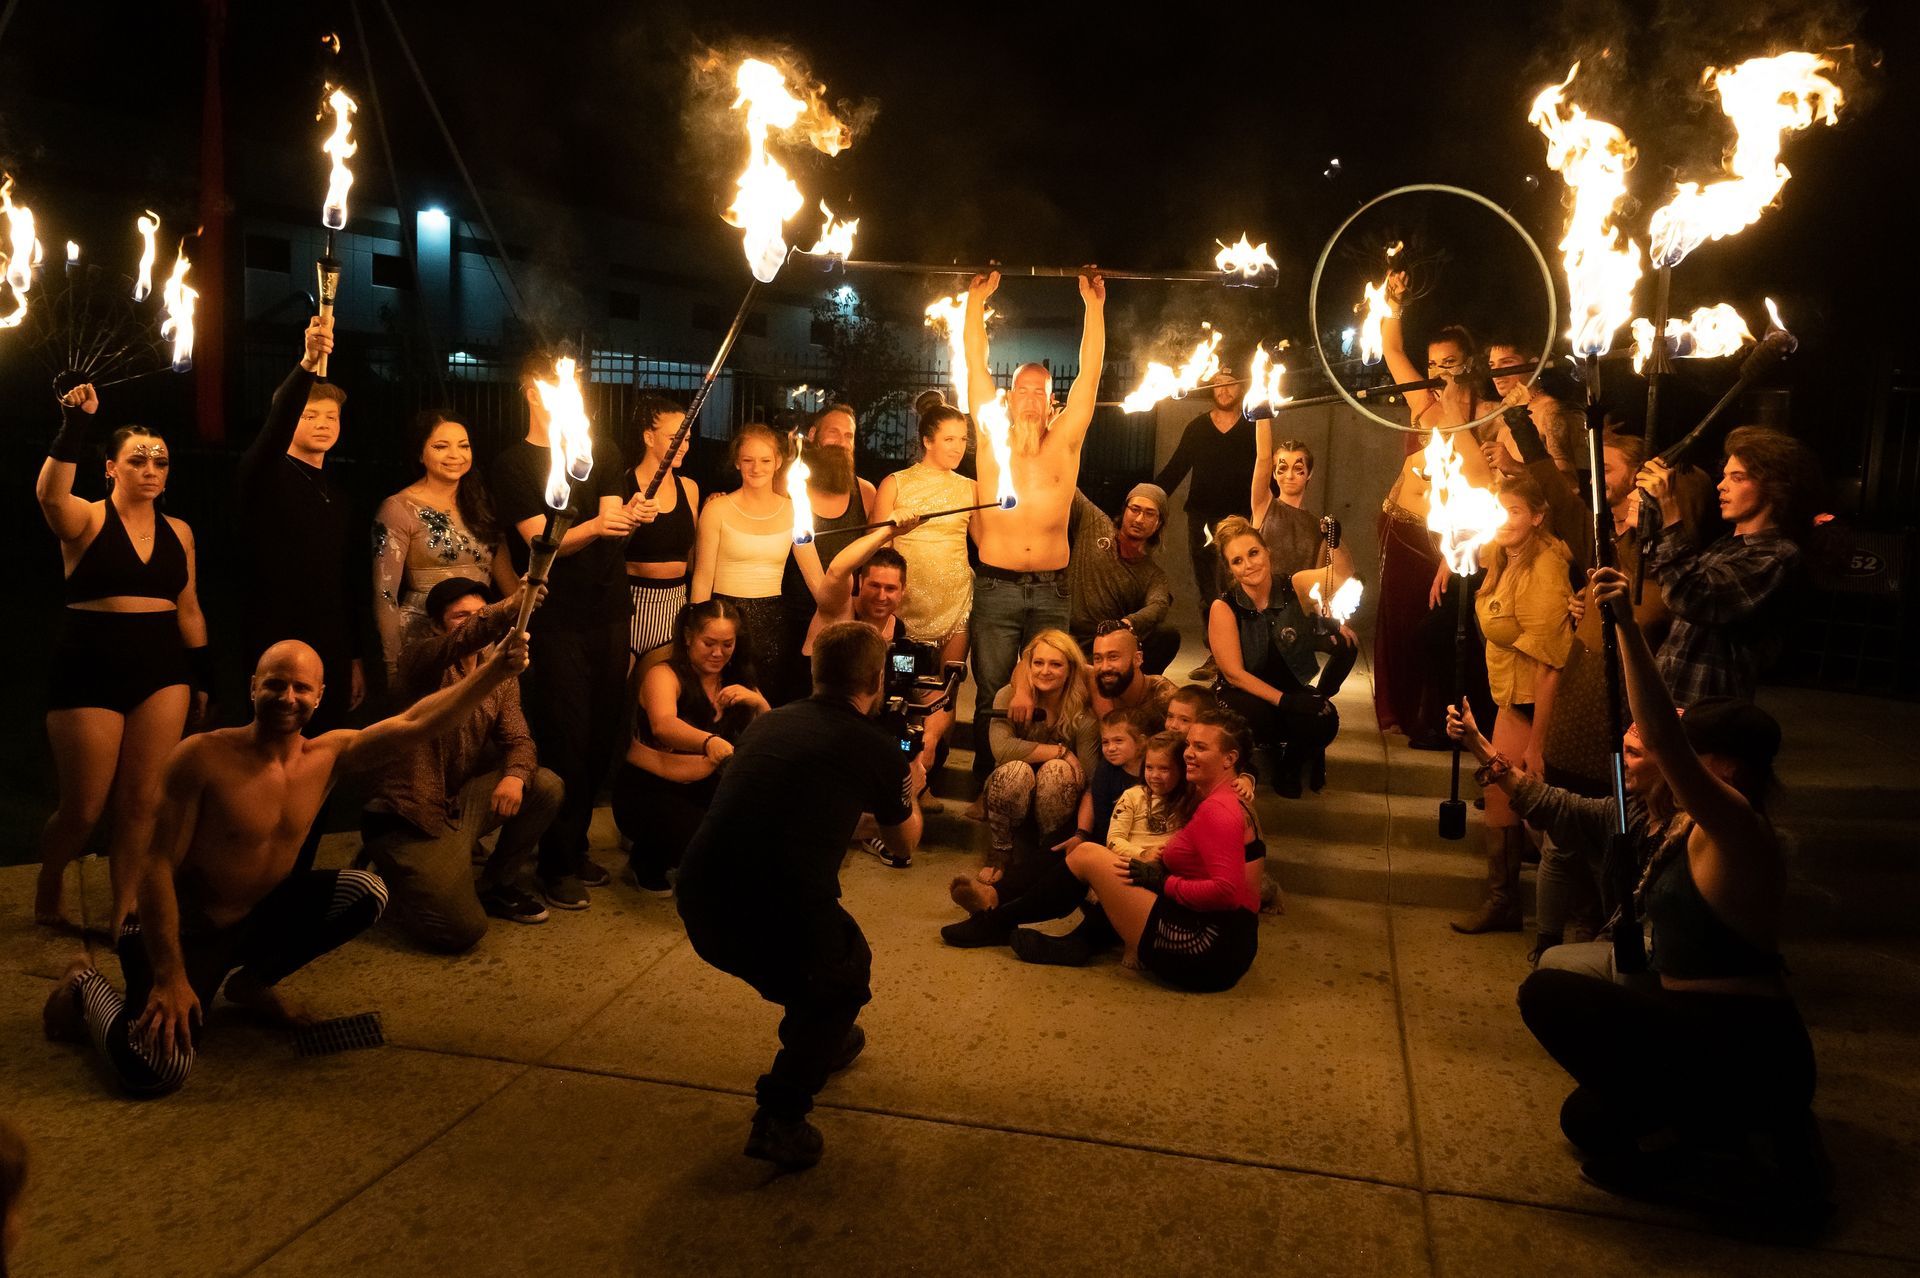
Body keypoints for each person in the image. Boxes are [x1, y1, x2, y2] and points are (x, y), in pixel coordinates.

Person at [41, 629, 530, 1098]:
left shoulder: (329, 755)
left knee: (366, 892)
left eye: (301, 687)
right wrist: (170, 976)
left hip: (254, 919)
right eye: (274, 683)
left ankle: (252, 984)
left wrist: (491, 674)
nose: (286, 696)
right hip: (180, 932)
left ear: (320, 697)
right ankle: (86, 986)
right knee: (155, 1070)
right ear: (253, 687)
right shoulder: (202, 756)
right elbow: (156, 867)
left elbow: (416, 723)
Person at [1518, 565, 1826, 1222]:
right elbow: (1604, 797)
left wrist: (1624, 624)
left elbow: (1658, 734)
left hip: (1742, 1044)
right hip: (1689, 1026)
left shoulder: (1739, 830)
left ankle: (1742, 1142)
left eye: (1693, 749)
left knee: (1546, 994)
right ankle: (1713, 1132)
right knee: (1588, 1122)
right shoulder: (1684, 820)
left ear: (1727, 769)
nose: (1674, 754)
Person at [674, 622, 922, 1170]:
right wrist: (908, 779)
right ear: (877, 680)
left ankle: (819, 1037)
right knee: (843, 970)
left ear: (816, 673)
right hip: (772, 910)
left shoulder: (771, 723)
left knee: (809, 969)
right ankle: (781, 1116)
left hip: (700, 898)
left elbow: (797, 804)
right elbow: (904, 843)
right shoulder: (876, 747)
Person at [35, 384, 210, 934]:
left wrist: (203, 679)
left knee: (142, 802)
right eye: (138, 459)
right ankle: (51, 879)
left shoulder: (179, 532)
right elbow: (48, 496)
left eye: (160, 460)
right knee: (84, 808)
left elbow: (189, 610)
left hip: (161, 670)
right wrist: (75, 425)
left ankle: (125, 911)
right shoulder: (85, 519)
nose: (152, 468)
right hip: (89, 668)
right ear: (111, 468)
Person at [489, 350, 638, 911]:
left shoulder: (600, 451)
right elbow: (536, 541)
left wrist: (620, 519)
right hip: (555, 619)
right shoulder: (513, 464)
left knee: (602, 734)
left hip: (608, 610)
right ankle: (551, 864)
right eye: (552, 382)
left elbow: (611, 519)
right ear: (533, 390)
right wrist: (598, 525)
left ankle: (573, 847)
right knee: (566, 738)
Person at [360, 577, 562, 950]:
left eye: (477, 613)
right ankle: (391, 877)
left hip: (454, 805)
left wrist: (515, 777)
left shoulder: (497, 670)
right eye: (460, 616)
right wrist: (506, 607)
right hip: (408, 817)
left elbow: (519, 739)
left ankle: (497, 884)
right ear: (437, 625)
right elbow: (460, 641)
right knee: (462, 931)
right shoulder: (421, 660)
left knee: (545, 784)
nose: (471, 623)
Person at [962, 269, 1105, 788]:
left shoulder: (1066, 440)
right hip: (996, 585)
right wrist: (975, 304)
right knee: (992, 690)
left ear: (1051, 401)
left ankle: (1051, 780)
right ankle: (988, 782)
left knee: (1052, 690)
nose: (1028, 398)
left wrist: (1093, 307)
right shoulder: (990, 434)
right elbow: (975, 367)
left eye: (1038, 391)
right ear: (1008, 397)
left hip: (1051, 589)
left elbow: (1090, 373)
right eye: (1020, 389)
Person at [1015, 708, 1262, 991]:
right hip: (1226, 940)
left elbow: (1226, 893)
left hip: (1208, 951)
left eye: (1200, 747)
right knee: (1107, 864)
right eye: (1189, 745)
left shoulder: (1220, 809)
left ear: (1230, 759)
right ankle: (1045, 931)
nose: (1188, 753)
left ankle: (1003, 921)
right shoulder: (1221, 796)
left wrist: (1164, 882)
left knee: (1089, 856)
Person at [1372, 273, 1501, 747]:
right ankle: (1413, 718)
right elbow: (1391, 350)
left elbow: (1484, 485)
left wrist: (1452, 412)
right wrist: (1393, 300)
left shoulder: (1488, 413)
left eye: (1449, 362)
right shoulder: (1422, 405)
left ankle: (1443, 719)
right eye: (1433, 363)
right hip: (1400, 527)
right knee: (1403, 626)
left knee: (1438, 630)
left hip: (1451, 541)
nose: (1439, 370)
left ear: (1469, 363)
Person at [1450, 703, 1671, 971]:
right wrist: (1477, 743)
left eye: (1634, 753)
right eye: (1623, 749)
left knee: (1555, 971)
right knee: (1548, 968)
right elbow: (1553, 804)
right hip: (1627, 949)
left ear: (1668, 765)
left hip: (1667, 964)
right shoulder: (1630, 812)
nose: (1622, 760)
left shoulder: (1687, 831)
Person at [1454, 474, 1575, 934]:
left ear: (1538, 517)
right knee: (1496, 794)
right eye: (1498, 510)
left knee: (1536, 808)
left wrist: (1538, 744)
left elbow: (1551, 663)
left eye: (1515, 512)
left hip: (1534, 701)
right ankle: (1503, 902)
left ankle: (1575, 917)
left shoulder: (1545, 567)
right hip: (1507, 696)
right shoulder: (1502, 555)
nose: (1503, 521)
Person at [237, 315, 367, 734]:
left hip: (330, 644)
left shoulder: (340, 495)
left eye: (331, 416)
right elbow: (273, 431)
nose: (324, 424)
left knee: (323, 756)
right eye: (310, 415)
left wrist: (353, 657)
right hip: (274, 638)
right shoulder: (265, 474)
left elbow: (347, 582)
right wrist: (307, 363)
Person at [1642, 426, 1820, 705]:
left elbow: (1694, 597)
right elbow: (1671, 587)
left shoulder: (1778, 554)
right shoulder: (1727, 544)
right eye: (1724, 476)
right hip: (1672, 696)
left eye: (1737, 478)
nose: (1721, 486)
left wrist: (1668, 508)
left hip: (1706, 707)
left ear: (1774, 485)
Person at [614, 599, 768, 894]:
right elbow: (664, 725)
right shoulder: (664, 674)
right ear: (687, 637)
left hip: (705, 786)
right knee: (704, 843)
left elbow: (770, 734)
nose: (718, 653)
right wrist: (709, 742)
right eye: (709, 642)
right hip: (652, 788)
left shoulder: (738, 679)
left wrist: (758, 703)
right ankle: (648, 858)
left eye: (727, 644)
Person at [1207, 517, 1358, 797]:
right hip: (1244, 695)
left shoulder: (1295, 585)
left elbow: (1341, 573)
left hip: (1289, 689)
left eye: (1253, 553)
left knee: (1324, 720)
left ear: (1267, 552)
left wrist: (1334, 540)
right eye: (1237, 561)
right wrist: (1286, 701)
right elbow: (1234, 674)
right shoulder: (1224, 606)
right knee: (1252, 716)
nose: (1249, 564)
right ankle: (1253, 763)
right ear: (1230, 569)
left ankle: (1291, 766)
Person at [691, 422, 827, 705]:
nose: (757, 468)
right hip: (724, 619)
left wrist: (839, 612)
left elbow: (817, 581)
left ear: (778, 462)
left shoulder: (794, 511)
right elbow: (702, 579)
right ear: (737, 463)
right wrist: (695, 631)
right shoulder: (717, 510)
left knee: (767, 701)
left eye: (765, 460)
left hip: (774, 623)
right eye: (748, 460)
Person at [1154, 370, 1274, 678]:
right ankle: (1216, 656)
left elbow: (1266, 472)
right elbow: (1175, 468)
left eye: (1230, 382)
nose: (1223, 389)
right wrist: (1149, 499)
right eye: (1218, 383)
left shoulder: (1251, 428)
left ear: (1241, 387)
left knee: (1242, 589)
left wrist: (1279, 508)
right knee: (1210, 592)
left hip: (1242, 523)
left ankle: (1243, 657)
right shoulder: (1197, 427)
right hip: (1203, 521)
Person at [372, 410, 500, 682]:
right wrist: (393, 665)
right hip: (426, 635)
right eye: (441, 446)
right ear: (420, 454)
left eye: (463, 446)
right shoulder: (398, 508)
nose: (455, 455)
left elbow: (505, 575)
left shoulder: (482, 504)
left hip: (481, 635)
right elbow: (384, 595)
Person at [980, 631, 1099, 886]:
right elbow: (1001, 749)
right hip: (1011, 789)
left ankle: (1048, 855)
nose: (1045, 671)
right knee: (1017, 771)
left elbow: (1089, 777)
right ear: (1028, 666)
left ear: (1070, 669)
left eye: (1056, 664)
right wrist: (1063, 752)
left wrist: (1083, 832)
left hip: (1059, 798)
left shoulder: (1082, 710)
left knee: (1056, 771)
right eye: (1038, 663)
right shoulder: (1008, 696)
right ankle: (1000, 852)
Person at [872, 403, 975, 670]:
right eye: (949, 439)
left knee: (945, 694)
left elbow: (989, 546)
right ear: (927, 441)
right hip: (905, 612)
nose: (958, 447)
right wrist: (892, 528)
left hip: (957, 607)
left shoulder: (971, 489)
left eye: (963, 439)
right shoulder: (895, 483)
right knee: (902, 691)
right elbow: (877, 556)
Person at [1065, 485, 1179, 675]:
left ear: (1158, 523)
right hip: (1069, 638)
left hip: (1110, 644)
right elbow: (1068, 490)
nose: (1139, 519)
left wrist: (1126, 623)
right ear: (1125, 510)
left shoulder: (1152, 574)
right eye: (1135, 510)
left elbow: (1159, 605)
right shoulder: (1095, 524)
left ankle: (1132, 695)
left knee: (1167, 635)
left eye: (1149, 514)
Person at [621, 392, 699, 664]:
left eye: (687, 439)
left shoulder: (689, 488)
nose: (683, 446)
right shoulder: (622, 486)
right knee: (619, 700)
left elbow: (693, 556)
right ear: (648, 437)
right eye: (674, 438)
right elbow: (609, 550)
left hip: (674, 606)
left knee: (658, 700)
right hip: (630, 602)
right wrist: (630, 518)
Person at [1248, 430, 1356, 583]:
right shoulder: (1265, 506)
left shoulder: (1318, 527)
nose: (1289, 476)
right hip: (1261, 598)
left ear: (1309, 473)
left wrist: (1335, 541)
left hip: (1298, 602)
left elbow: (1332, 576)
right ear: (1274, 473)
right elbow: (1263, 457)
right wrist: (1261, 412)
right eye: (1282, 469)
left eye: (1298, 469)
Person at [1486, 336, 1584, 478]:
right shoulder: (1507, 413)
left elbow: (1569, 483)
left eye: (1506, 362)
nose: (1496, 373)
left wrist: (1514, 467)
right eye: (1492, 365)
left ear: (1533, 365)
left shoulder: (1550, 411)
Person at [1106, 730, 1189, 862]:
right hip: (1131, 863)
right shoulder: (1132, 796)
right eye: (1149, 767)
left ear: (1182, 769)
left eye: (1164, 769)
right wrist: (1143, 854)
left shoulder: (1189, 799)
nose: (1155, 775)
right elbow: (1113, 840)